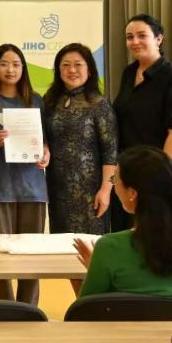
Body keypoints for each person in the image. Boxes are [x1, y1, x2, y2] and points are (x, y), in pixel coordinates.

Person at [75, 146, 172, 305]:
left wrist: (95, 271)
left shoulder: (109, 248)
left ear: (132, 193)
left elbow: (85, 312)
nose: (114, 187)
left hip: (122, 323)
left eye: (114, 180)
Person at [111, 14, 172, 231]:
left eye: (142, 35)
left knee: (165, 234)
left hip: (164, 167)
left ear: (158, 39)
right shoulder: (129, 73)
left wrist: (161, 178)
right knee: (129, 235)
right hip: (131, 167)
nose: (134, 42)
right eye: (129, 37)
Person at [0, 44, 49, 305]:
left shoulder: (36, 101)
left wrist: (46, 152)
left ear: (23, 69)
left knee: (32, 256)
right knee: (0, 257)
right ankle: (4, 310)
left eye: (16, 64)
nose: (10, 70)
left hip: (32, 188)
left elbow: (45, 140)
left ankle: (29, 309)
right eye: (4, 64)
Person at [45, 43, 118, 236]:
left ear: (89, 69)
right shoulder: (50, 101)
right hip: (57, 189)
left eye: (78, 64)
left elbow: (110, 152)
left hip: (90, 191)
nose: (72, 70)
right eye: (65, 65)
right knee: (59, 244)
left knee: (90, 244)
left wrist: (106, 190)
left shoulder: (99, 103)